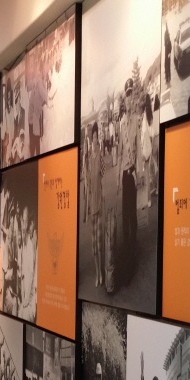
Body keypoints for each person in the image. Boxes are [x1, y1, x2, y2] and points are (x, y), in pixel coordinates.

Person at [118, 79, 139, 278]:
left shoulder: (136, 121)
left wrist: (138, 172)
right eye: (128, 95)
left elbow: (138, 149)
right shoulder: (121, 124)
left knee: (132, 215)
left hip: (132, 174)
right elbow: (120, 151)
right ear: (125, 100)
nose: (130, 98)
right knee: (125, 216)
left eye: (132, 94)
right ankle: (127, 253)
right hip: (124, 175)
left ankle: (133, 252)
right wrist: (118, 178)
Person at [87, 122, 104, 287]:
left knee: (99, 243)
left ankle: (101, 273)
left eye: (97, 137)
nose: (95, 139)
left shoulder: (99, 155)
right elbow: (87, 183)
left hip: (100, 203)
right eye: (93, 137)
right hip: (92, 206)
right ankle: (97, 272)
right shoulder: (88, 159)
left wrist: (100, 153)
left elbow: (103, 173)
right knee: (93, 245)